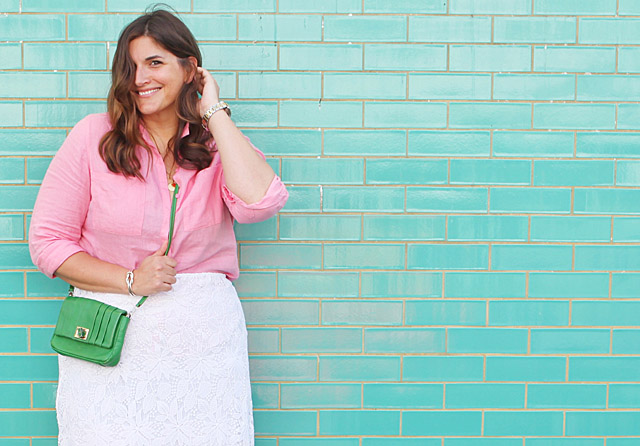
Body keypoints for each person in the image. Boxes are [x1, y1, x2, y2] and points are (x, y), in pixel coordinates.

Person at [28, 8, 288, 445]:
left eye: (155, 62)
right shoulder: (93, 138)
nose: (139, 78)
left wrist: (214, 111)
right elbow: (48, 243)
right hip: (109, 338)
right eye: (130, 66)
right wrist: (130, 279)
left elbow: (260, 203)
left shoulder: (215, 145)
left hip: (202, 343)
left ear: (190, 69)